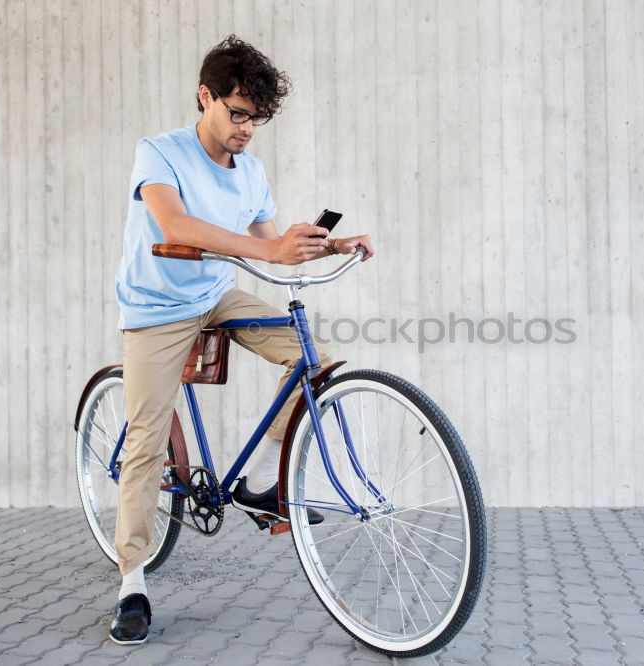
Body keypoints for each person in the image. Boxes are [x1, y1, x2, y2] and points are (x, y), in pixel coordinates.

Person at [109, 36, 374, 645]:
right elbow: (173, 225)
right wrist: (268, 249)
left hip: (215, 296)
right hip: (155, 306)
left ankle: (257, 480)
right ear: (206, 97)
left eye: (256, 117)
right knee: (147, 442)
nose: (247, 128)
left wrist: (327, 243)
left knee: (314, 362)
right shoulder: (160, 154)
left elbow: (272, 245)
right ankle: (132, 579)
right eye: (237, 112)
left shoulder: (250, 171)